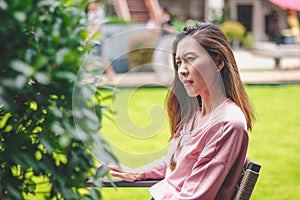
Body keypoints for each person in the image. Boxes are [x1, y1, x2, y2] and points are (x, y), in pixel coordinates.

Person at [109, 22, 255, 199]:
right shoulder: (197, 113)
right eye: (178, 63)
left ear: (217, 62)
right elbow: (178, 163)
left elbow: (194, 196)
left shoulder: (226, 123)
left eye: (190, 59)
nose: (182, 71)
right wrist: (140, 172)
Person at [83, 0, 116, 80]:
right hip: (90, 39)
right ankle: (88, 76)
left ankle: (111, 74)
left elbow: (97, 26)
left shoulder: (99, 12)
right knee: (90, 57)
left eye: (93, 2)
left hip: (96, 39)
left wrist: (89, 36)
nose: (91, 4)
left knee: (100, 56)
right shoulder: (89, 13)